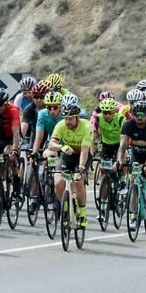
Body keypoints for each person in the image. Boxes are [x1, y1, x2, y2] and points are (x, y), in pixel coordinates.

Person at [49, 94, 92, 229]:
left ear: (78, 118)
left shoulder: (86, 126)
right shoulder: (61, 125)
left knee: (78, 182)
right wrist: (61, 146)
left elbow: (85, 151)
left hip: (82, 155)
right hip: (67, 154)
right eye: (66, 118)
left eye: (71, 119)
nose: (68, 122)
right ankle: (66, 205)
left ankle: (83, 213)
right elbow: (51, 144)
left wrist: (80, 168)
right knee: (58, 182)